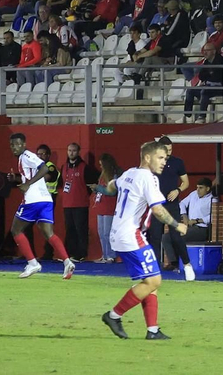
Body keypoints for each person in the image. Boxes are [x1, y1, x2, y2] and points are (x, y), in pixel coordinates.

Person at [101, 139, 188, 340]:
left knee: (150, 279)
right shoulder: (148, 178)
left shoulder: (129, 174)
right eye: (160, 157)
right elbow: (157, 210)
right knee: (154, 280)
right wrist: (177, 225)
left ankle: (153, 330)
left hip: (119, 234)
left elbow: (112, 186)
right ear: (147, 157)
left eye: (165, 158)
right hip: (131, 235)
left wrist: (112, 185)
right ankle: (114, 315)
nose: (164, 162)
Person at [7, 131, 75, 278]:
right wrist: (17, 179)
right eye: (12, 145)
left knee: (16, 230)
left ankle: (33, 263)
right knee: (48, 233)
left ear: (24, 145)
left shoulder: (27, 156)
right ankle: (67, 262)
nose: (14, 147)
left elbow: (43, 168)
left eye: (18, 144)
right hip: (45, 200)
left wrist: (27, 185)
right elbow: (31, 174)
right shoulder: (24, 158)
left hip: (32, 200)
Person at [150, 136, 194, 281]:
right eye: (166, 149)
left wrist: (178, 190)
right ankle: (155, 271)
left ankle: (187, 265)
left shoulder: (177, 162)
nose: (169, 152)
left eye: (171, 149)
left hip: (171, 204)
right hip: (156, 204)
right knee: (155, 237)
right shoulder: (153, 163)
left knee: (176, 237)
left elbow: (186, 182)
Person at [59, 141, 93, 260]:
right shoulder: (64, 167)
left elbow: (92, 184)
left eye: (73, 150)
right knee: (70, 229)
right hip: (67, 204)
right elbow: (61, 184)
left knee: (81, 230)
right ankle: (70, 254)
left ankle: (81, 254)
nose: (71, 153)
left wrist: (83, 195)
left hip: (81, 204)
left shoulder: (84, 167)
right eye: (69, 150)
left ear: (78, 152)